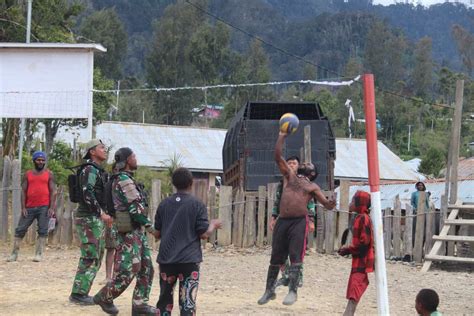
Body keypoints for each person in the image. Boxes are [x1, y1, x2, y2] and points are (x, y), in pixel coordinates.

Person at [258, 131, 336, 306]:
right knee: (275, 257)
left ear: (312, 172)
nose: (305, 163)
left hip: (298, 223)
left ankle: (293, 291)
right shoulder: (289, 176)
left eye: (308, 163)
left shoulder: (313, 186)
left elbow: (326, 205)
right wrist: (281, 136)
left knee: (295, 256)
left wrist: (331, 202)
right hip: (282, 221)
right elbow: (278, 156)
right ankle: (269, 290)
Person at [94, 147, 158, 315]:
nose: (136, 159)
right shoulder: (124, 180)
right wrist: (152, 229)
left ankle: (139, 305)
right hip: (128, 231)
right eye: (134, 156)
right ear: (127, 160)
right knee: (128, 270)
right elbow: (136, 209)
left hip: (134, 231)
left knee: (147, 268)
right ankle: (104, 296)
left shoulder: (123, 178)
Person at [154, 167, 222, 315]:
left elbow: (157, 234)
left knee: (164, 301)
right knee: (187, 303)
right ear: (191, 183)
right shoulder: (197, 204)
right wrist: (213, 224)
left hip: (167, 259)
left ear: (173, 183)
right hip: (189, 260)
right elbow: (204, 234)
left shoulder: (163, 204)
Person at [70, 139, 113, 305]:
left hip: (92, 217)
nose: (105, 150)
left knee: (95, 254)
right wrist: (101, 213)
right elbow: (87, 193)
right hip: (89, 218)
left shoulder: (95, 170)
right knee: (91, 255)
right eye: (101, 148)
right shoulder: (89, 169)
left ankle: (81, 292)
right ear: (92, 152)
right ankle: (78, 294)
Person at [271, 155, 316, 288]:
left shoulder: (304, 182)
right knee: (280, 250)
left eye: (294, 163)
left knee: (296, 252)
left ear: (299, 166)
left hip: (299, 222)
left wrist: (311, 220)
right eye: (289, 163)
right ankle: (285, 276)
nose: (291, 165)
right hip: (283, 221)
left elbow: (311, 202)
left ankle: (297, 278)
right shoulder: (283, 182)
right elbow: (278, 201)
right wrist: (274, 217)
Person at [7, 151, 56, 262]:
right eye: (38, 160)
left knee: (43, 230)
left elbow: (53, 191)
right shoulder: (27, 174)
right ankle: (14, 254)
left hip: (44, 207)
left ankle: (39, 254)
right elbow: (23, 191)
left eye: (43, 160)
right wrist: (23, 207)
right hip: (29, 207)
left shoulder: (49, 174)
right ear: (34, 161)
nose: (41, 162)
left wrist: (51, 207)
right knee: (20, 229)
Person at [338, 190, 375, 316]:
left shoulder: (364, 218)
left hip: (362, 261)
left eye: (353, 200)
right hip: (358, 260)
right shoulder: (359, 217)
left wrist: (348, 249)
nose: (350, 203)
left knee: (355, 289)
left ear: (360, 203)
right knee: (354, 289)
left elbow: (365, 243)